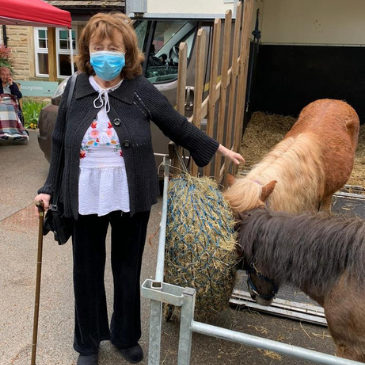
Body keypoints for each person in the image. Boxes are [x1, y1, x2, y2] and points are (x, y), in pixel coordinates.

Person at [34, 12, 244, 365]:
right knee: (86, 270)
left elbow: (175, 123)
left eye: (113, 47)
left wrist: (215, 147)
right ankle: (88, 344)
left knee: (127, 267)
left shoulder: (140, 89)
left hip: (130, 191)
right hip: (83, 191)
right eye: (98, 47)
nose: (105, 54)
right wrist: (48, 188)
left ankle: (125, 335)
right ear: (87, 49)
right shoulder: (75, 87)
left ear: (127, 51)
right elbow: (58, 140)